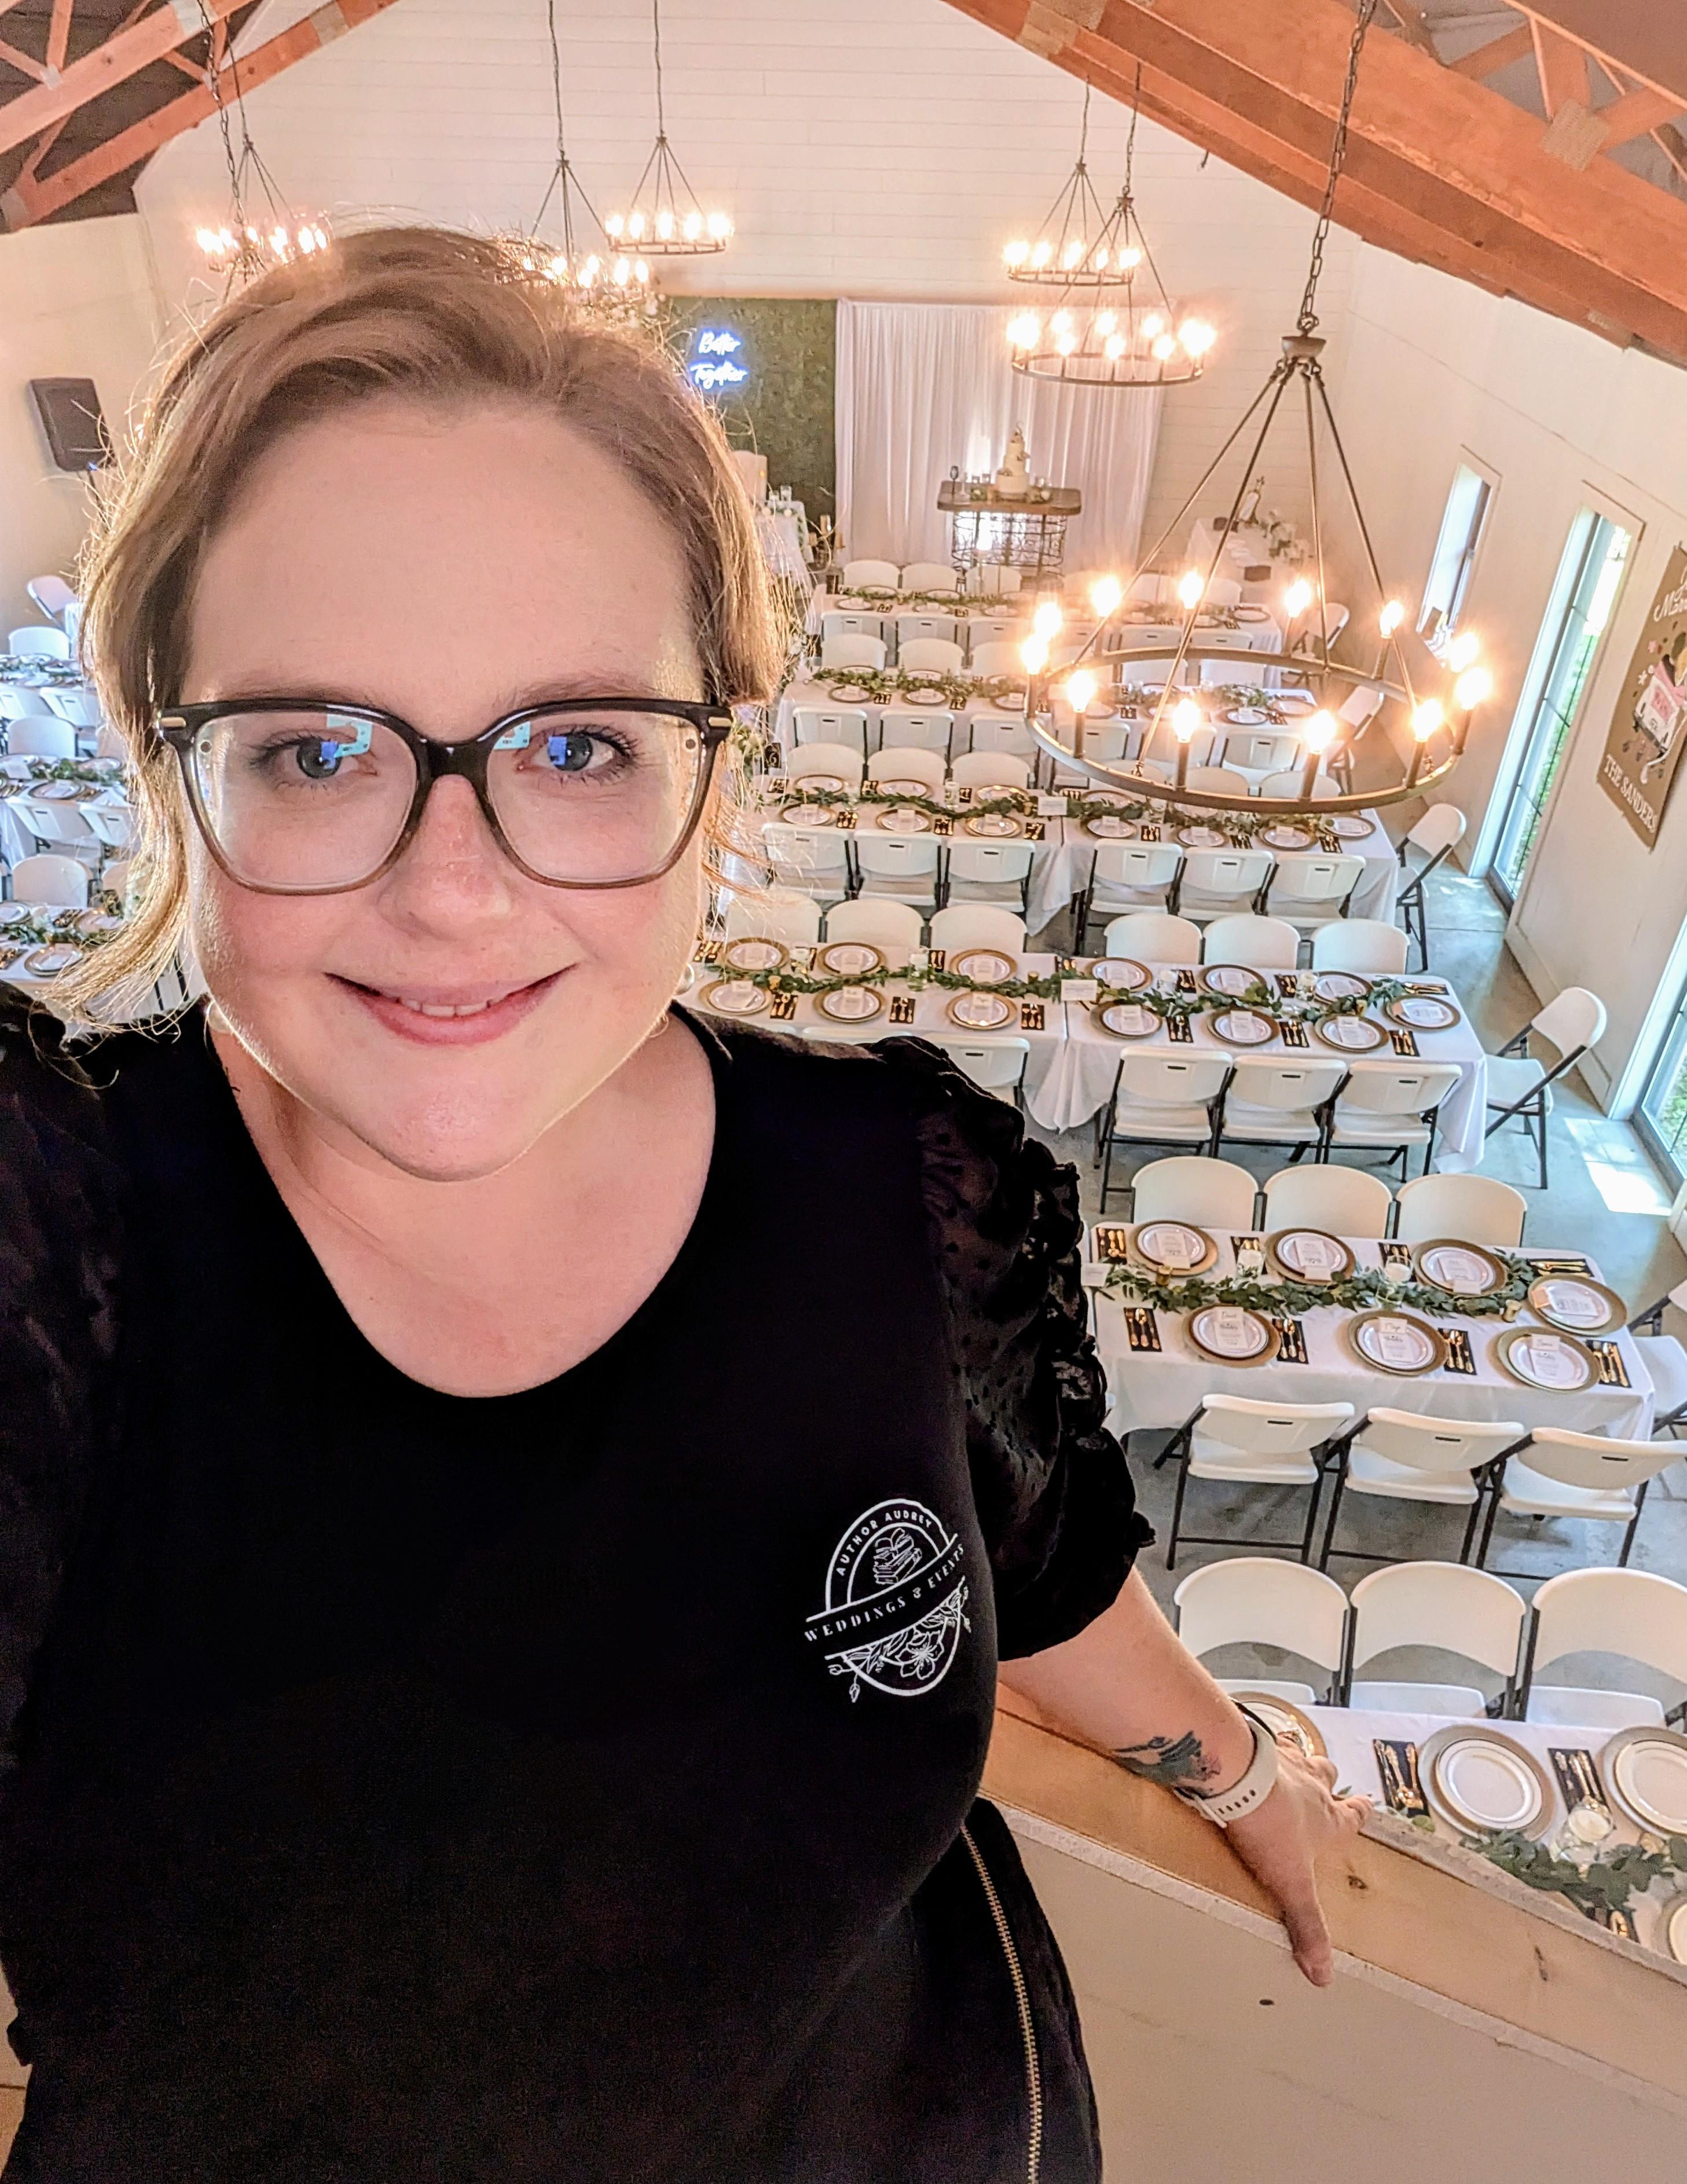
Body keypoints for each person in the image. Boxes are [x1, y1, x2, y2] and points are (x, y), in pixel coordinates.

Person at [0, 228, 1366, 2183]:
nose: (450, 888)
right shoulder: (58, 1247)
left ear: (710, 774)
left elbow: (1037, 1570)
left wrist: (1231, 1768)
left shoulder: (904, 1179)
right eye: (313, 748)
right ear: (165, 768)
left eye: (574, 746)